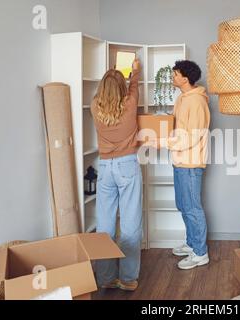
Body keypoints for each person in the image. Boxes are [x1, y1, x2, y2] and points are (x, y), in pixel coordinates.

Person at [151, 60, 211, 270]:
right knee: (183, 205)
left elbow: (192, 136)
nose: (173, 78)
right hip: (180, 160)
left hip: (191, 163)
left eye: (175, 74)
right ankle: (192, 243)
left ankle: (200, 253)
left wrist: (161, 143)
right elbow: (179, 126)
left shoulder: (196, 102)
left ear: (185, 78)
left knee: (192, 207)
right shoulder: (183, 98)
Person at [90, 59, 143, 291]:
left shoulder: (94, 106)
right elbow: (134, 85)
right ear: (122, 88)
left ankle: (105, 278)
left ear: (101, 88)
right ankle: (128, 279)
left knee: (105, 226)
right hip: (127, 165)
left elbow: (110, 92)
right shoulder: (130, 103)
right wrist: (135, 70)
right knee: (130, 223)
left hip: (105, 168)